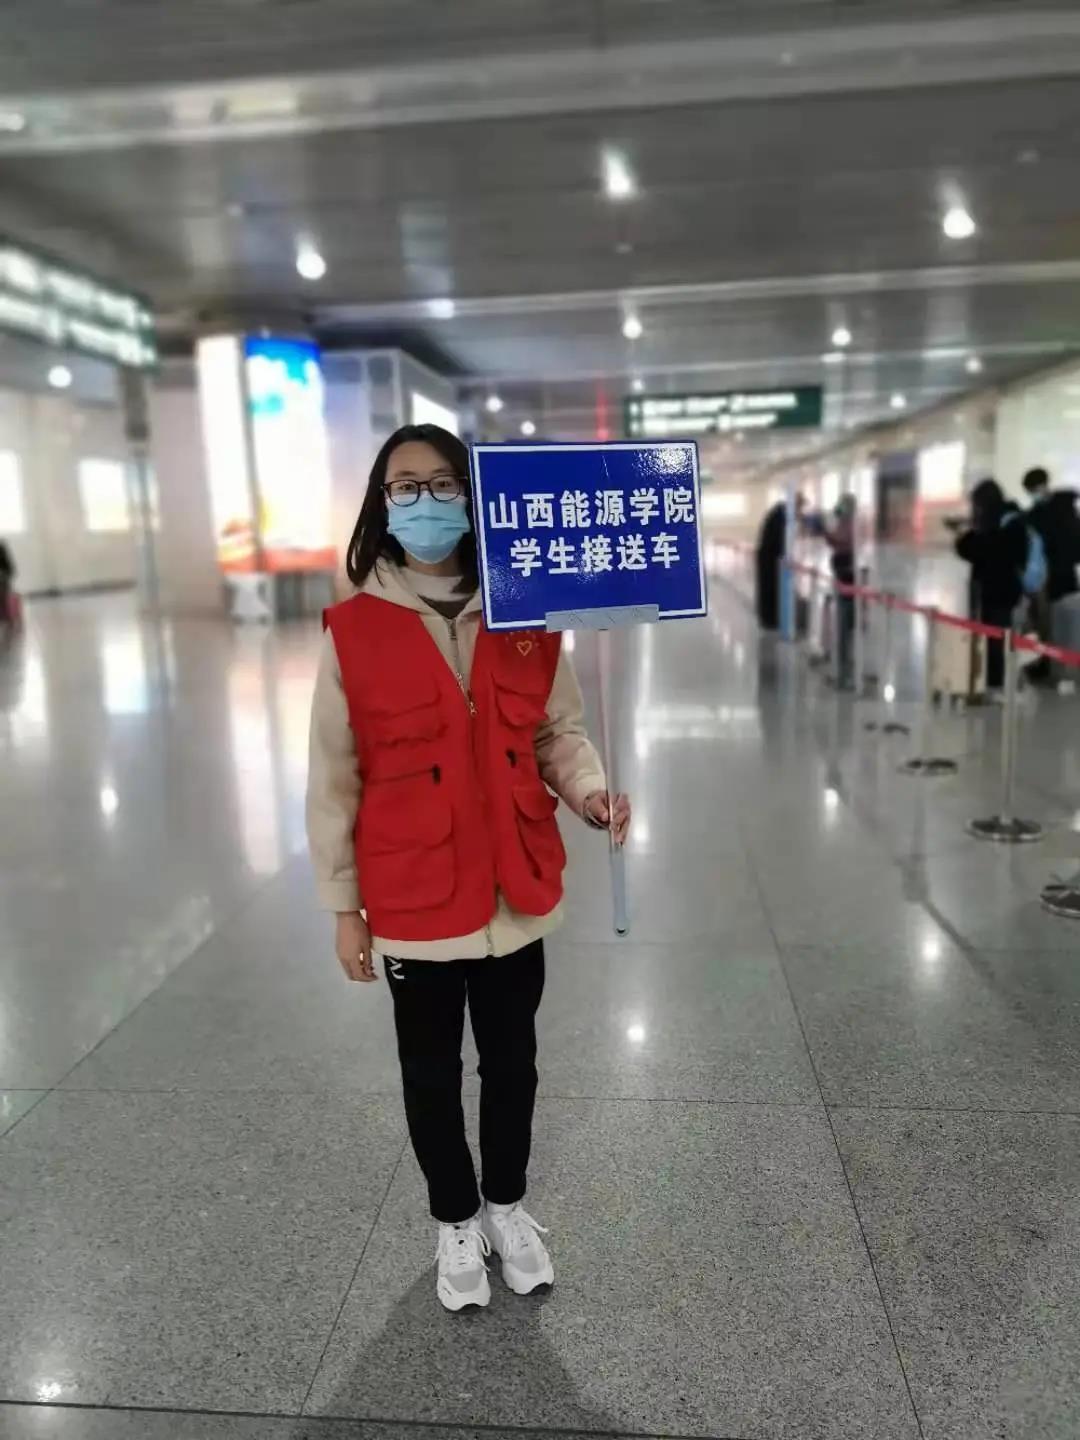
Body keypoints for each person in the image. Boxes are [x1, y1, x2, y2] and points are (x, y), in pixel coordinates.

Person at [305, 423, 631, 1313]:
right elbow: (334, 777)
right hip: (413, 894)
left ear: (473, 498)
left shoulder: (526, 615)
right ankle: (455, 1218)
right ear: (381, 503)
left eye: (444, 484)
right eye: (405, 487)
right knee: (429, 1072)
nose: (425, 502)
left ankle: (507, 1206)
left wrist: (590, 792)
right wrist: (343, 906)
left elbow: (556, 732)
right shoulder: (352, 631)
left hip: (515, 887)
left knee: (514, 1063)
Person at [954, 478, 1027, 690]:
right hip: (997, 590)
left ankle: (997, 681)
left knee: (997, 638)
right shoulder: (1007, 522)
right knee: (994, 637)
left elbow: (973, 549)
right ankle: (993, 679)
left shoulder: (1005, 524)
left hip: (999, 591)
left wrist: (970, 534)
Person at [1021, 467, 1080, 684]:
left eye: (1034, 490)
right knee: (1049, 626)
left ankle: (1059, 670)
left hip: (1055, 578)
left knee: (1058, 626)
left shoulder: (1061, 510)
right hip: (1051, 578)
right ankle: (1050, 668)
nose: (1034, 494)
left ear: (1044, 485)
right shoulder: (1039, 514)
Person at [754, 492, 805, 630]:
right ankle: (770, 620)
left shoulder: (780, 511)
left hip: (770, 556)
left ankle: (770, 618)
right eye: (799, 507)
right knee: (770, 588)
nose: (799, 511)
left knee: (770, 588)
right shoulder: (780, 514)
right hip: (769, 558)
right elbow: (780, 539)